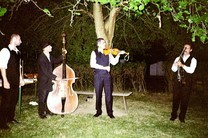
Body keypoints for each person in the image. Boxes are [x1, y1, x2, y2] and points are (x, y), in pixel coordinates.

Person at [90, 38, 125, 119]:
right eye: (103, 43)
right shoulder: (94, 52)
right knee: (98, 94)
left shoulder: (108, 52)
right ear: (98, 44)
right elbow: (92, 64)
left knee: (109, 94)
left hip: (107, 76)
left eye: (105, 43)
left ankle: (110, 112)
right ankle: (98, 111)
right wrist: (104, 67)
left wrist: (118, 55)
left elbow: (114, 62)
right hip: (98, 75)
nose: (105, 44)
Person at [0, 34, 25, 130]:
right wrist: (5, 80)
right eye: (19, 39)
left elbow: (18, 67)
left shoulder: (17, 52)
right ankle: (2, 122)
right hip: (8, 81)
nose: (21, 41)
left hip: (15, 81)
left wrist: (21, 79)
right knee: (6, 102)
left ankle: (10, 118)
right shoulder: (5, 51)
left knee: (13, 100)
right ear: (14, 39)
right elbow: (2, 66)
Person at [37, 42, 66, 119]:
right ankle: (41, 113)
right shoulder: (41, 58)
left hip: (48, 80)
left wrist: (63, 55)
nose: (51, 47)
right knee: (42, 98)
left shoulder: (49, 56)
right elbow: (45, 71)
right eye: (50, 46)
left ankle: (48, 110)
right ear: (45, 48)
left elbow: (56, 60)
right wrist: (55, 77)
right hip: (43, 81)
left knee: (47, 97)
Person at [170, 44, 197, 123]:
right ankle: (173, 116)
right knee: (175, 99)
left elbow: (191, 70)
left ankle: (182, 117)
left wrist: (182, 65)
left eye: (187, 48)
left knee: (184, 100)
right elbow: (173, 69)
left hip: (186, 83)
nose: (185, 49)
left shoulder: (193, 59)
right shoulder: (178, 58)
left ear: (190, 50)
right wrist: (175, 64)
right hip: (177, 81)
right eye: (184, 48)